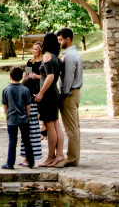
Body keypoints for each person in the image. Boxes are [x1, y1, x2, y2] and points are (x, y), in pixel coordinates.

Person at [34, 32, 65, 167]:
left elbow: (50, 76)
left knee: (50, 126)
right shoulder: (57, 58)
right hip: (54, 93)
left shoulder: (47, 57)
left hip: (48, 94)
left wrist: (41, 93)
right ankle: (59, 155)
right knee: (56, 125)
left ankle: (50, 157)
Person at [57, 27, 84, 167]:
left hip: (70, 93)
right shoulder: (74, 53)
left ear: (68, 39)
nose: (59, 42)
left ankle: (72, 158)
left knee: (71, 128)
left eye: (61, 40)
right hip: (76, 92)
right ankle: (74, 156)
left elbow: (68, 78)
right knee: (75, 127)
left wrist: (64, 93)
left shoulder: (69, 56)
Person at [1, 65, 35, 169]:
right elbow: (28, 106)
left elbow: (5, 106)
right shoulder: (25, 90)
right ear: (21, 77)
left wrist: (7, 116)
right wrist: (27, 115)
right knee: (26, 140)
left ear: (10, 76)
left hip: (12, 118)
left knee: (12, 140)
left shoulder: (6, 90)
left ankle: (10, 163)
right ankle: (31, 161)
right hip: (23, 118)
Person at [21, 42, 44, 165]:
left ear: (40, 50)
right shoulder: (30, 62)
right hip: (30, 89)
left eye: (36, 49)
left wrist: (36, 77)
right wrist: (27, 77)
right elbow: (26, 75)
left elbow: (46, 76)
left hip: (39, 88)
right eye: (33, 49)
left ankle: (44, 127)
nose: (33, 51)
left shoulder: (43, 62)